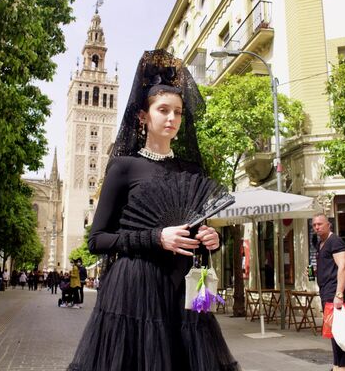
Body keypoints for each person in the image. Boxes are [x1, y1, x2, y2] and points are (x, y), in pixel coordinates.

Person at [68, 50, 239, 371]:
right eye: (163, 110)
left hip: (182, 292)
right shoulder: (123, 167)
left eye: (178, 111)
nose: (172, 118)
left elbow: (196, 233)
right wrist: (156, 238)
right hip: (135, 290)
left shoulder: (191, 170)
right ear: (143, 116)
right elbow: (98, 241)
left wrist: (212, 238)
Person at [313, 213, 345, 371]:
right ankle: (336, 365)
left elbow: (343, 266)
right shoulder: (319, 242)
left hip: (334, 292)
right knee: (333, 331)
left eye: (320, 224)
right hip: (326, 291)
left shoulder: (335, 241)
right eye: (314, 225)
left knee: (340, 330)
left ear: (329, 224)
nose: (317, 227)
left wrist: (339, 294)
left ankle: (342, 367)